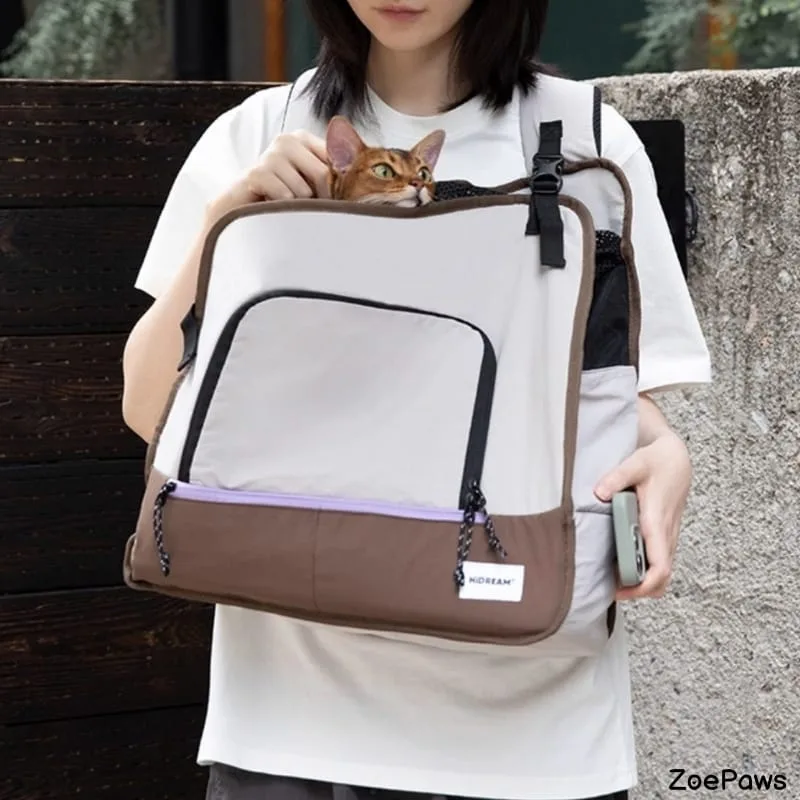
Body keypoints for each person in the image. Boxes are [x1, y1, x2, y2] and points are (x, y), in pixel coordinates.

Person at [122, 1, 712, 798]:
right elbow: (144, 404)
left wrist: (667, 451)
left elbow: (600, 392)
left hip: (536, 738)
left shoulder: (590, 139)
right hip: (288, 724)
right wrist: (229, 223)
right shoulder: (260, 131)